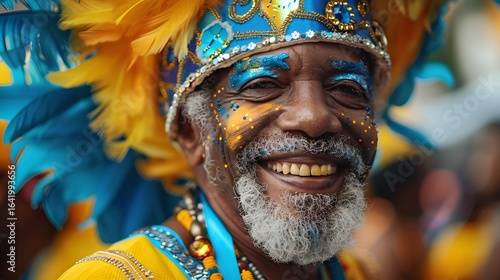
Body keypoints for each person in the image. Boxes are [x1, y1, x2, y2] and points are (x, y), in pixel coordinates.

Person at [0, 0, 451, 279]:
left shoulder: (359, 274)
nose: (315, 118)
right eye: (261, 85)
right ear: (189, 131)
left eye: (348, 89)